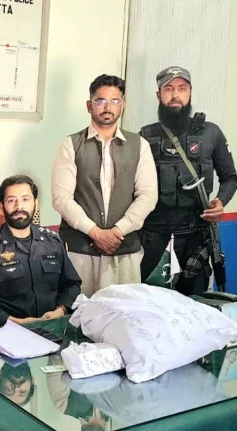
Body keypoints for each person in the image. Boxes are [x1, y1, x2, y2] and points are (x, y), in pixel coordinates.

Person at [51, 74, 158, 296]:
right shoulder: (71, 144)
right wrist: (95, 233)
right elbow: (61, 198)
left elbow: (148, 195)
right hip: (80, 251)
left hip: (125, 250)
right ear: (89, 105)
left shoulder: (139, 145)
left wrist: (118, 231)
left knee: (125, 311)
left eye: (115, 101)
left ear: (123, 105)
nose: (108, 107)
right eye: (100, 100)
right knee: (79, 311)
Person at [139, 66, 237, 295]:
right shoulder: (144, 136)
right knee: (150, 303)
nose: (175, 95)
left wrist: (220, 202)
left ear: (190, 92)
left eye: (182, 88)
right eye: (169, 89)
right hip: (154, 237)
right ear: (159, 95)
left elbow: (230, 178)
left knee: (195, 304)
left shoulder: (211, 133)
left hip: (196, 237)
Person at [0, 175, 81, 326]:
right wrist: (11, 321)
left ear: (35, 203)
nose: (19, 207)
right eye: (11, 201)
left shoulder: (53, 241)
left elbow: (72, 284)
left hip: (55, 325)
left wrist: (61, 310)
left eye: (25, 199)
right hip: (8, 331)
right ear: (2, 206)